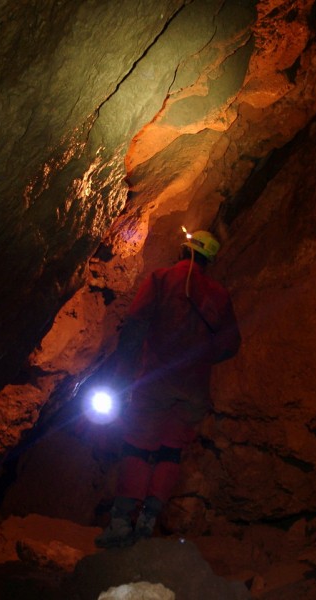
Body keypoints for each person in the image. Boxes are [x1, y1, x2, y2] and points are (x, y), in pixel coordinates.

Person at [95, 229, 241, 549]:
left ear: (184, 250)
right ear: (208, 259)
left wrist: (123, 374)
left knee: (137, 445)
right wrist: (201, 356)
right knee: (169, 450)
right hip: (193, 388)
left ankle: (121, 524)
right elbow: (231, 343)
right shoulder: (218, 294)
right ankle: (148, 522)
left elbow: (135, 324)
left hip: (157, 380)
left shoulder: (162, 279)